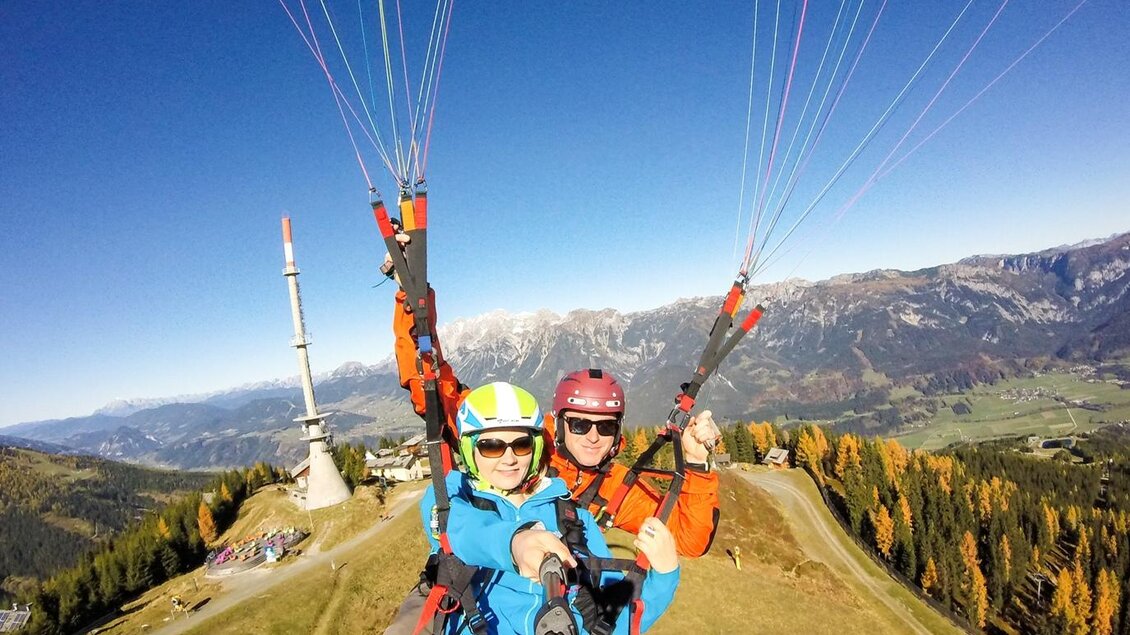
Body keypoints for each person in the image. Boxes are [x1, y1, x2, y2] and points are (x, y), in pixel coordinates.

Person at [393, 287, 721, 558]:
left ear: (617, 433)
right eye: (580, 425)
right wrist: (412, 294)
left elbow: (686, 540)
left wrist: (695, 463)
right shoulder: (520, 439)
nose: (593, 437)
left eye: (605, 427)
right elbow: (434, 389)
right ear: (560, 424)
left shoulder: (615, 488)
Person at [417, 382, 679, 634]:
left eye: (521, 445)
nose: (509, 458)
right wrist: (514, 542)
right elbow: (452, 525)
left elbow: (612, 619)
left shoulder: (574, 519)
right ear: (469, 450)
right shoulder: (453, 496)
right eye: (491, 446)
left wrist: (664, 577)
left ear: (536, 447)